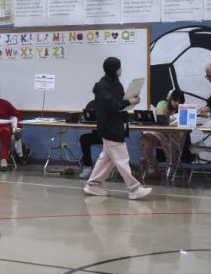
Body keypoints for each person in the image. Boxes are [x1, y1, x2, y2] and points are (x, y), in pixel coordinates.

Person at [84, 57, 151, 199]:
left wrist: (132, 100)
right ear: (114, 69)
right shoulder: (103, 86)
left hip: (118, 124)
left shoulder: (116, 83)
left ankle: (93, 185)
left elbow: (121, 102)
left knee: (106, 159)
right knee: (122, 158)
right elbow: (111, 105)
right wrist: (127, 102)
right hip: (110, 126)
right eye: (119, 67)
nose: (121, 70)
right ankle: (134, 188)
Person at [137, 88, 186, 180]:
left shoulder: (183, 109)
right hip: (158, 134)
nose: (177, 103)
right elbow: (161, 118)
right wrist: (172, 119)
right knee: (143, 141)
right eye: (175, 100)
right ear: (170, 98)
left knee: (170, 142)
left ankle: (171, 165)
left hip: (173, 137)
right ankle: (151, 163)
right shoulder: (163, 104)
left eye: (180, 101)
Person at [78, 99, 101, 174]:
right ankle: (88, 165)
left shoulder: (112, 103)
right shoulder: (92, 103)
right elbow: (86, 116)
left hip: (110, 135)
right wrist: (84, 118)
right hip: (97, 135)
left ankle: (105, 170)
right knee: (84, 139)